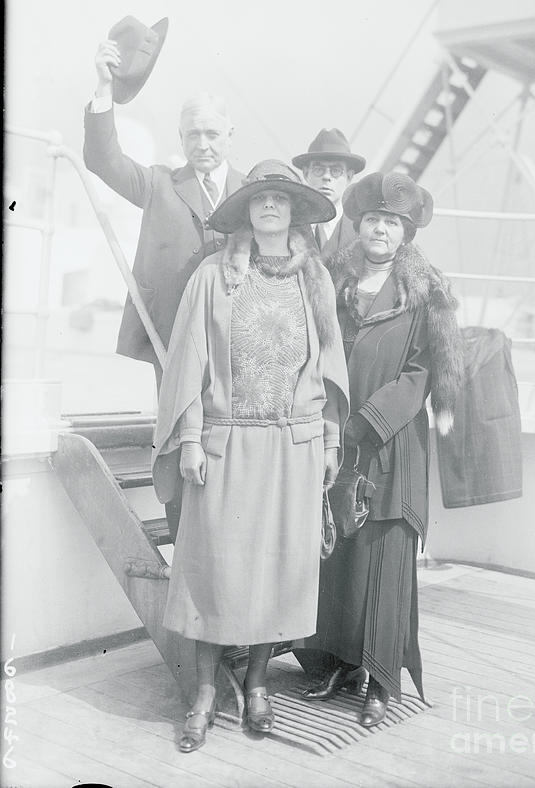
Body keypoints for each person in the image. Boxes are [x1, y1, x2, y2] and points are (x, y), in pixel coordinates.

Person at [151, 160, 349, 751]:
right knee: (213, 572)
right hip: (225, 443)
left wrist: (330, 441)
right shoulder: (214, 274)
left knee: (275, 571)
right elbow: (188, 361)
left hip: (293, 447)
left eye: (280, 198)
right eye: (259, 197)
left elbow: (330, 366)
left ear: (294, 211)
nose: (269, 206)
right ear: (244, 210)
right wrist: (190, 439)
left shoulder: (315, 278)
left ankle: (259, 684)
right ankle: (204, 694)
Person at [302, 171, 464, 727]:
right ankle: (339, 664)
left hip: (390, 444)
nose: (380, 230)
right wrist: (332, 424)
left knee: (384, 558)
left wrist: (364, 424)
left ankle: (381, 679)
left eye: (392, 223)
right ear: (359, 224)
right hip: (336, 438)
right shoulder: (332, 282)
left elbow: (421, 373)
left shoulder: (424, 292)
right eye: (372, 219)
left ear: (406, 233)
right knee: (339, 556)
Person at [83, 19, 244, 539]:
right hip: (173, 345)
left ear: (230, 135)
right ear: (180, 138)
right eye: (193, 134)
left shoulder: (255, 195)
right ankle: (185, 556)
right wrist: (104, 86)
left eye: (212, 133)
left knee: (236, 451)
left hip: (241, 349)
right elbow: (103, 159)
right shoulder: (158, 185)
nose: (203, 143)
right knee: (177, 445)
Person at [292, 128, 365, 262]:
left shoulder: (360, 231)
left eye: (336, 170)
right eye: (318, 169)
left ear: (349, 177)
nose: (326, 177)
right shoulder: (290, 222)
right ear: (306, 174)